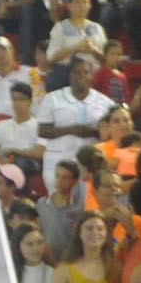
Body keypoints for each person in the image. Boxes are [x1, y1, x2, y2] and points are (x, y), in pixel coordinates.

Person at [33, 54, 115, 190]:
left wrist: (92, 132)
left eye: (86, 72)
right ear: (69, 75)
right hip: (58, 159)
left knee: (87, 205)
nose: (81, 76)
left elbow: (113, 131)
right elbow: (42, 130)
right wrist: (72, 130)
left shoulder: (105, 102)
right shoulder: (52, 99)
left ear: (92, 76)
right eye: (77, 72)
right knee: (59, 204)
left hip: (90, 163)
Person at [0, 81, 45, 175]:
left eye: (21, 99)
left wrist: (14, 151)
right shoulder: (1, 124)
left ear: (30, 101)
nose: (17, 103)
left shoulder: (39, 126)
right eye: (14, 99)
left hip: (27, 161)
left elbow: (40, 152)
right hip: (4, 158)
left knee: (19, 162)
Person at [48, 0, 110, 66]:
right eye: (77, 2)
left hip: (94, 74)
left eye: (85, 2)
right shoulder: (60, 27)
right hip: (69, 74)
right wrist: (76, 48)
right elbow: (51, 57)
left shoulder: (97, 28)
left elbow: (107, 58)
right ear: (69, 5)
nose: (81, 5)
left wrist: (94, 51)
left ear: (89, 5)